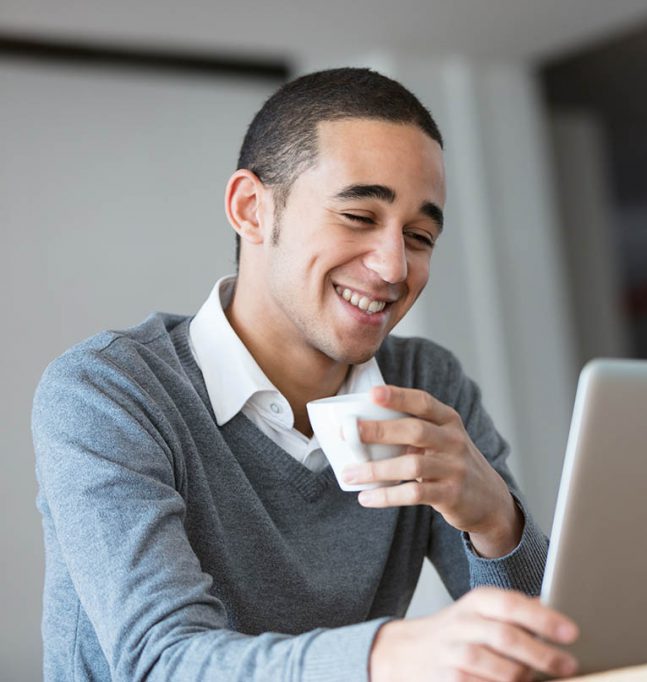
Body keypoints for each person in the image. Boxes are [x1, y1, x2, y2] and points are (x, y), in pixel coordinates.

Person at [32, 67, 579, 681]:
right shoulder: (110, 392)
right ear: (251, 209)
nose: (394, 267)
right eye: (358, 217)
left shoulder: (427, 385)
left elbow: (554, 656)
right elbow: (161, 664)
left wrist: (497, 523)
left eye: (420, 235)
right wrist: (384, 656)